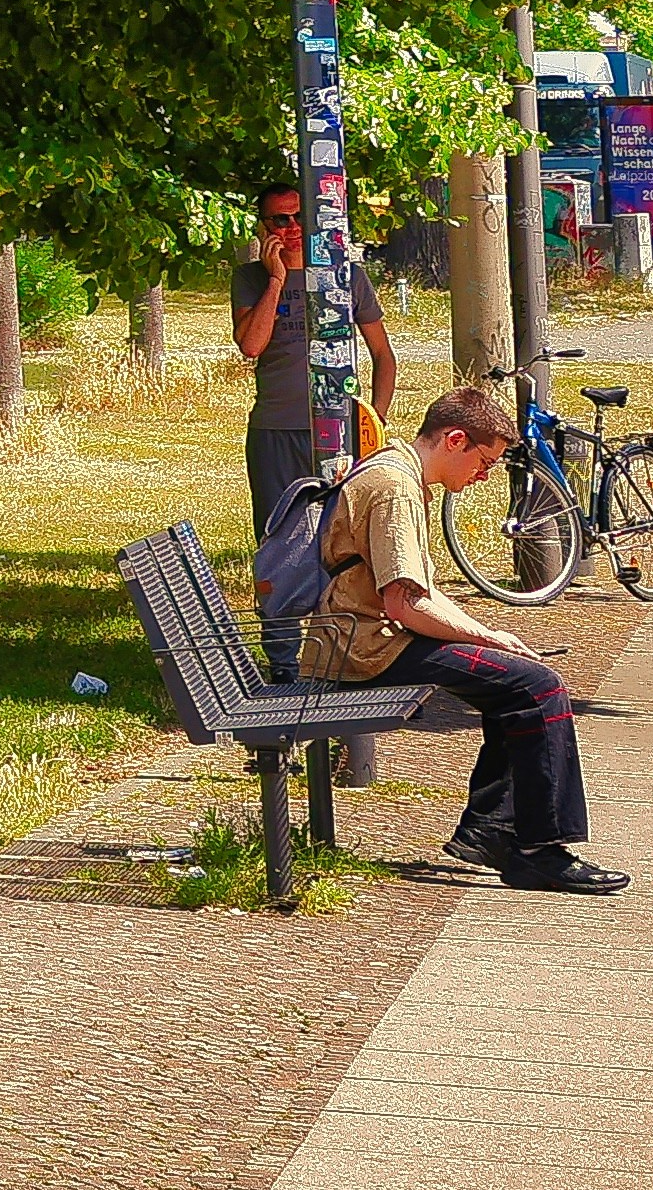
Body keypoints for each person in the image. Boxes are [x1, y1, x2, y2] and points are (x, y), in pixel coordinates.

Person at [302, 386, 614, 894]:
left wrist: (490, 637)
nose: (484, 475)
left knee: (519, 686)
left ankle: (495, 832)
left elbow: (417, 594)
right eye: (484, 461)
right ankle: (536, 848)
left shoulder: (398, 473)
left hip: (368, 639)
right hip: (365, 650)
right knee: (538, 689)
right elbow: (407, 606)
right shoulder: (395, 488)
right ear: (454, 439)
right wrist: (485, 634)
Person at [232, 180, 391, 530]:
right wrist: (276, 280)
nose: (292, 228)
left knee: (339, 532)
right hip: (276, 427)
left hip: (338, 425)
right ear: (265, 227)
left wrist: (375, 420)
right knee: (278, 533)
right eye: (280, 220)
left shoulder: (346, 277)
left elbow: (382, 354)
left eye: (300, 216)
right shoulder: (250, 277)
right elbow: (251, 345)